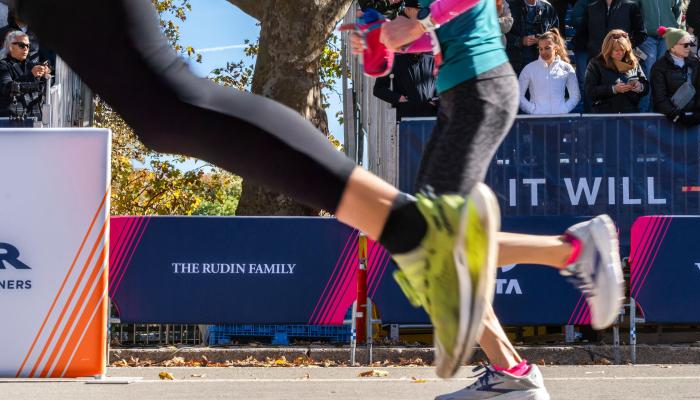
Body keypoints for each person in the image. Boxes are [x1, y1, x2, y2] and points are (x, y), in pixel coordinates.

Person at [7, 0, 502, 381]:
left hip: (481, 90)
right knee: (162, 114)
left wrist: (409, 29)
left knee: (166, 107)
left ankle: (416, 230)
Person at [355, 2, 622, 398]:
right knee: (430, 241)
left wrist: (412, 28)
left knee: (435, 242)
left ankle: (573, 251)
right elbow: (433, 38)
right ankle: (511, 371)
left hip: (480, 90)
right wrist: (383, 44)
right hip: (461, 95)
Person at [372, 2, 438, 120]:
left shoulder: (432, 58)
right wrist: (399, 98)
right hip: (406, 120)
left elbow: (444, 85)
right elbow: (378, 89)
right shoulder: (395, 58)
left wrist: (437, 101)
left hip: (432, 118)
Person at [651, 27, 700, 126]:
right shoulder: (659, 67)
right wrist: (677, 116)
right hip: (669, 123)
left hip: (694, 119)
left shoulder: (695, 62)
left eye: (690, 44)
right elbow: (659, 98)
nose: (689, 48)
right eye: (685, 45)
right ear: (672, 47)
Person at [517, 28, 580, 114]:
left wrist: (563, 110)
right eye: (541, 49)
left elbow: (576, 96)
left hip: (560, 121)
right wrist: (533, 110)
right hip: (536, 122)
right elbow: (518, 96)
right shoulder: (529, 69)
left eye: (547, 48)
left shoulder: (567, 68)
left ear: (556, 48)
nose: (543, 52)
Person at [585, 29, 649, 113]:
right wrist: (613, 89)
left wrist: (640, 87)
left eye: (623, 50)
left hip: (630, 113)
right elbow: (589, 91)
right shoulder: (595, 64)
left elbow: (646, 85)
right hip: (605, 115)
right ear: (608, 49)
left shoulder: (633, 62)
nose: (620, 53)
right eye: (616, 50)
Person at [637, 0, 682, 112]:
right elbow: (633, 9)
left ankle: (662, 111)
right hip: (647, 37)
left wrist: (675, 29)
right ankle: (644, 114)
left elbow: (678, 9)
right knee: (648, 72)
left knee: (664, 74)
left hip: (667, 37)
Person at [573, 0, 647, 61]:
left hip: (622, 62)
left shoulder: (631, 7)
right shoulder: (591, 8)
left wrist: (625, 47)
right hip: (597, 62)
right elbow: (582, 35)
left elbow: (641, 34)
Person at [0, 30, 47, 120]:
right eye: (21, 45)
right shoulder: (3, 65)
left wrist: (45, 74)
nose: (26, 49)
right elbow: (7, 88)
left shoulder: (30, 64)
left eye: (28, 46)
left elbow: (41, 86)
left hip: (34, 117)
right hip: (13, 119)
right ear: (10, 46)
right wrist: (31, 75)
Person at [506, 0, 560, 74]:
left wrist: (542, 40)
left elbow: (555, 35)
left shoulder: (547, 8)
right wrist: (520, 41)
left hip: (541, 64)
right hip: (515, 64)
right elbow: (500, 35)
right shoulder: (509, 7)